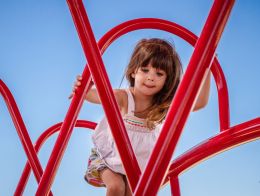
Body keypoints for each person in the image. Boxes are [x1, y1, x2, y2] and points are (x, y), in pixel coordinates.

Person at [70, 38, 211, 196]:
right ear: (133, 71)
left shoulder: (162, 106)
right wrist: (84, 89)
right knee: (116, 187)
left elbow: (199, 102)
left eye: (159, 73)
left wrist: (207, 67)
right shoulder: (124, 97)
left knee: (135, 193)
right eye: (145, 70)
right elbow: (98, 96)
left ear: (166, 80)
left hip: (135, 165)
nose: (150, 77)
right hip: (107, 158)